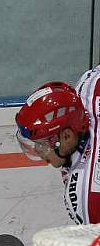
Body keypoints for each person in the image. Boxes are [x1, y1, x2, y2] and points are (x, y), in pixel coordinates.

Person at [15, 67, 98, 224]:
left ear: (67, 136)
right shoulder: (88, 86)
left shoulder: (87, 199)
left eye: (42, 144)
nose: (40, 153)